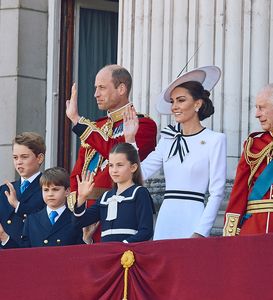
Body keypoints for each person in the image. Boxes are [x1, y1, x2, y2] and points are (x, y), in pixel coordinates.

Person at [124, 66, 227, 240]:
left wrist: (201, 231)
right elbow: (141, 173)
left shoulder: (215, 140)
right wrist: (130, 139)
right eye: (172, 102)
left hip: (194, 218)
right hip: (166, 218)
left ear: (197, 104)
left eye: (180, 100)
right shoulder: (168, 139)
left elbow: (217, 192)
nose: (174, 107)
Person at [65, 64, 157, 239]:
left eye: (102, 87)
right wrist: (80, 205)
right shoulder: (95, 127)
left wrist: (77, 120)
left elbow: (116, 152)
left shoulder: (143, 125)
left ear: (121, 88)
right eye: (95, 88)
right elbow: (78, 172)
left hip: (116, 214)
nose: (96, 94)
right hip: (84, 215)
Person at [223, 83, 273, 236]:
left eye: (262, 107)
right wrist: (230, 235)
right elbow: (239, 193)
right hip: (252, 232)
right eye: (257, 108)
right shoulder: (254, 145)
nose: (257, 114)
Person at [73, 143, 154, 243]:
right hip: (107, 253)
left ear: (133, 167)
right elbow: (79, 222)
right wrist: (81, 198)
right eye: (111, 165)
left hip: (130, 254)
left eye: (119, 165)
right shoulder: (105, 197)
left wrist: (124, 245)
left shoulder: (140, 193)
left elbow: (146, 231)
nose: (114, 170)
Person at [0, 167, 84, 248]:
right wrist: (4, 236)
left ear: (67, 191)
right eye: (46, 190)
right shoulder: (32, 220)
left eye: (55, 189)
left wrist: (87, 238)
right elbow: (23, 254)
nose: (50, 194)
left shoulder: (75, 220)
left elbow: (80, 253)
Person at [0, 132, 46, 248]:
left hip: (30, 254)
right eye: (15, 157)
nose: (18, 162)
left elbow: (44, 221)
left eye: (24, 157)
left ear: (39, 158)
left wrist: (18, 205)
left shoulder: (48, 189)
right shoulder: (4, 189)